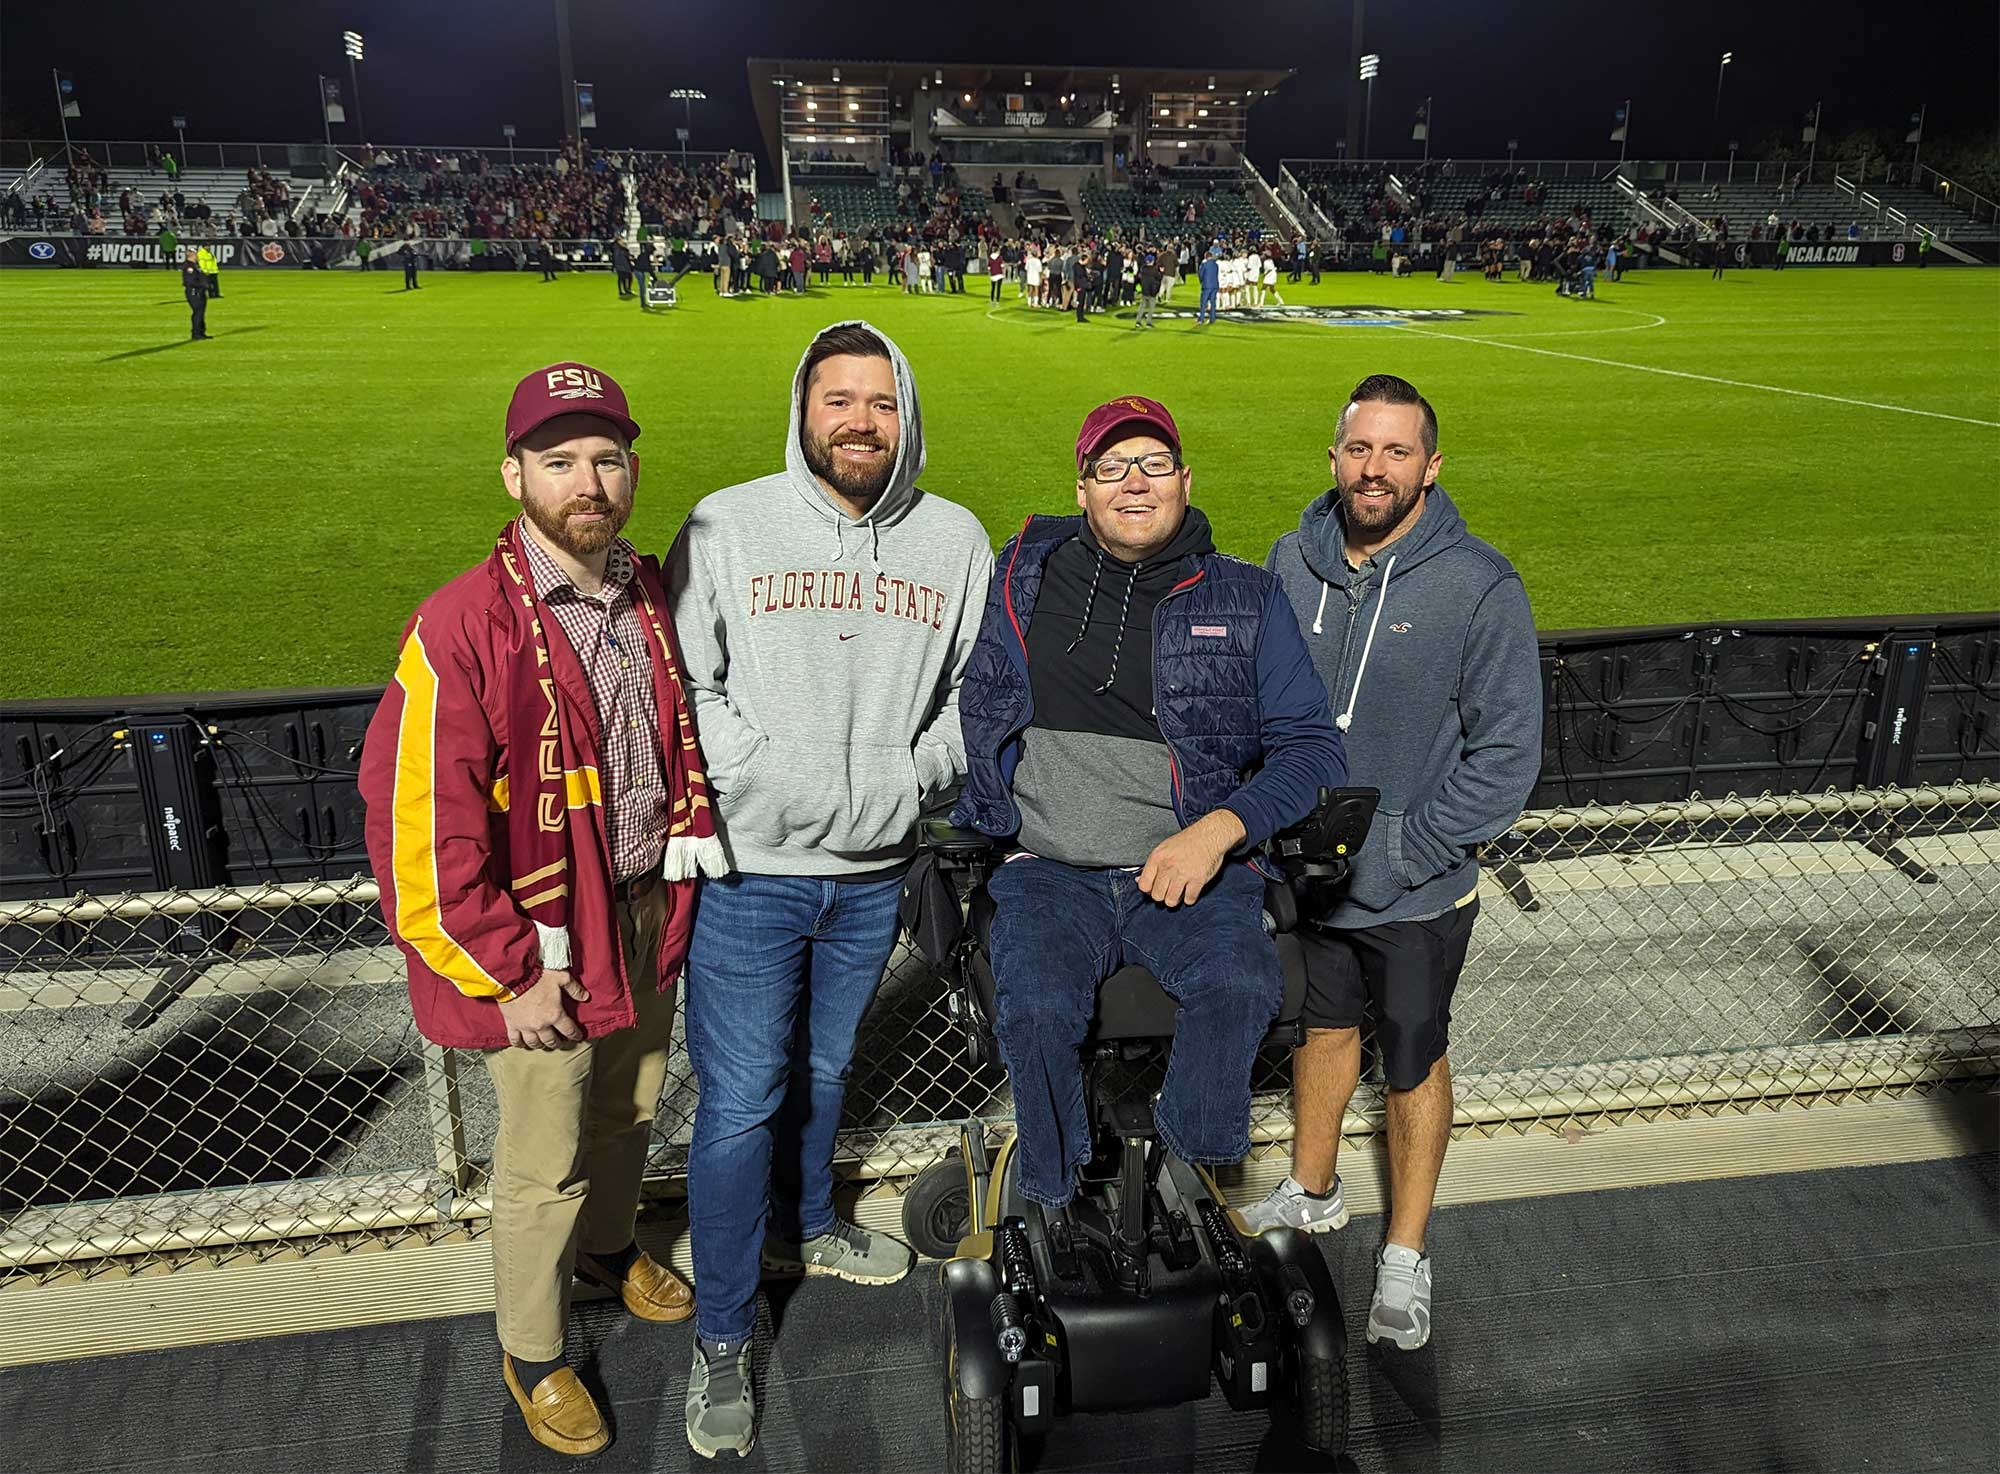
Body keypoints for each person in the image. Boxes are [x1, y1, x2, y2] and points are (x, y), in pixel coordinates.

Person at [359, 363, 727, 1457]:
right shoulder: (462, 621)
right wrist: (510, 970)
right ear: (513, 473)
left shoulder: (648, 593)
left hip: (641, 905)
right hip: (543, 945)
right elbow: (416, 826)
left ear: (632, 471)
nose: (589, 481)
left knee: (631, 1110)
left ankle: (611, 1251)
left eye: (608, 457)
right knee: (542, 1155)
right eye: (559, 460)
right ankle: (533, 1350)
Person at [666, 322, 992, 1459]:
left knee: (820, 1069)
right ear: (800, 410)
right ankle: (719, 1336)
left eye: (880, 401)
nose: (858, 420)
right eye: (836, 399)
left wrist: (910, 775)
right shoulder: (725, 521)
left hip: (871, 877)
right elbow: (685, 679)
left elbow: (975, 690)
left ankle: (803, 1227)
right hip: (752, 873)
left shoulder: (952, 537)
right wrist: (768, 778)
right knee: (743, 1099)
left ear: (906, 411)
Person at [950, 395, 1344, 1211]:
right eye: (1112, 467)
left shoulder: (1246, 597)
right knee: (1037, 1008)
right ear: (1084, 487)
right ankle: (1052, 1196)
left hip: (1186, 867)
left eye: (1155, 464)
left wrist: (1217, 832)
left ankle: (1183, 1174)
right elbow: (975, 693)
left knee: (1240, 984)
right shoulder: (1022, 570)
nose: (1135, 483)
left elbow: (1313, 746)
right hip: (1049, 868)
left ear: (1186, 480)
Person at [1248, 373, 1541, 1354]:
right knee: (1320, 1030)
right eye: (1357, 448)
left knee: (1411, 1057)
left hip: (1414, 891)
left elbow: (1504, 762)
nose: (1373, 468)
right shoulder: (1287, 562)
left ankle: (1405, 1253)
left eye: (1395, 451)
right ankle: (1313, 1186)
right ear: (1331, 456)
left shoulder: (1479, 585)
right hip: (1307, 876)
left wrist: (1401, 850)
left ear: (1429, 465)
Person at [180, 248, 209, 340]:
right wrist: (202, 285)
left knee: (200, 313)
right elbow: (190, 281)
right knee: (198, 312)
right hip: (194, 292)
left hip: (199, 291)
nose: (197, 256)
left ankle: (201, 332)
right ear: (192, 255)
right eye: (196, 254)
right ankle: (196, 333)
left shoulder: (194, 265)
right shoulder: (189, 267)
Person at [1135, 251, 1163, 329]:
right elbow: (1159, 278)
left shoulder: (1143, 269)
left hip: (1144, 291)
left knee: (1142, 307)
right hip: (1152, 292)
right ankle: (1148, 323)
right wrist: (1161, 272)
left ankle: (1138, 322)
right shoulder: (1154, 270)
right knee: (1151, 308)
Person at [1197, 245, 1221, 325]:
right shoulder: (1216, 265)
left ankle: (1201, 319)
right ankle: (1212, 319)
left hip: (1206, 286)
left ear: (1206, 257)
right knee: (1213, 303)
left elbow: (1200, 275)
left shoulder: (1204, 265)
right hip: (1214, 285)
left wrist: (1202, 282)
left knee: (1203, 303)